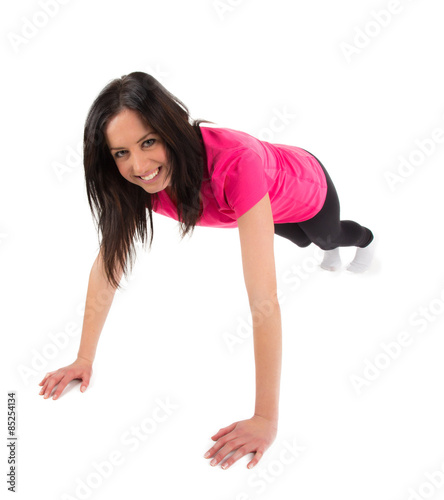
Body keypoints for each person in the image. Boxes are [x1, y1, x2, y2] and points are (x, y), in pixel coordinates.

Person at [38, 71, 376, 471]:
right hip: (256, 204)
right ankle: (327, 255)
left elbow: (263, 301)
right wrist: (83, 357)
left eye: (148, 142)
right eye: (121, 153)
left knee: (324, 238)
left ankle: (365, 241)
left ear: (171, 129)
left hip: (304, 188)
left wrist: (265, 418)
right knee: (299, 242)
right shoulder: (131, 182)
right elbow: (108, 264)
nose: (140, 165)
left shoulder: (236, 166)